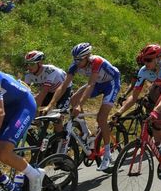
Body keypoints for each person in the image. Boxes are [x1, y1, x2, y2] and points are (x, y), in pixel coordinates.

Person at [45, 43, 121, 171]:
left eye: (79, 59)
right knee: (73, 99)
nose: (77, 62)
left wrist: (80, 105)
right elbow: (63, 86)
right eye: (75, 59)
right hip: (97, 83)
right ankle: (86, 132)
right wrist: (50, 104)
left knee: (101, 118)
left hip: (111, 84)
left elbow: (90, 85)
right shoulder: (75, 65)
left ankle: (107, 154)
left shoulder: (96, 62)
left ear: (87, 57)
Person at [113, 44, 161, 162]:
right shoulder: (143, 71)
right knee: (154, 123)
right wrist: (118, 113)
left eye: (149, 60)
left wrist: (156, 111)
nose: (146, 63)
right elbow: (134, 97)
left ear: (158, 59)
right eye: (144, 60)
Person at [0, 70, 46, 191]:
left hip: (23, 106)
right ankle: (8, 186)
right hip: (7, 107)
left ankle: (34, 175)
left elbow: (0, 112)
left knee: (3, 151)